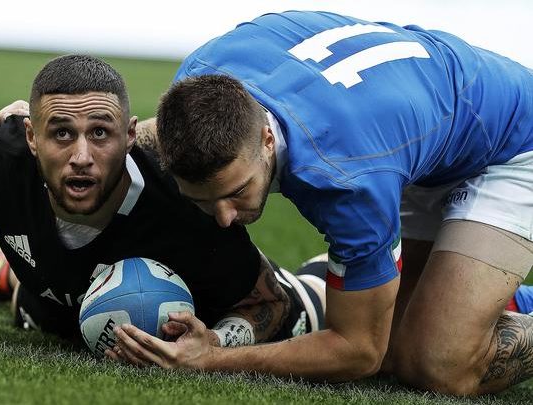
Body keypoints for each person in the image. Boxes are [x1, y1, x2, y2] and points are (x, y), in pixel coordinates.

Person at [111, 11, 533, 396]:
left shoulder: (345, 181)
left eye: (237, 192)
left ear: (267, 139)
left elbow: (358, 350)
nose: (225, 218)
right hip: (410, 134)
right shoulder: (195, 89)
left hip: (512, 141)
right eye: (202, 199)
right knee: (400, 337)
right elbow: (140, 139)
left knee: (436, 364)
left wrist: (211, 359)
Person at [0, 55, 326, 351]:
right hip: (53, 302)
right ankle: (5, 272)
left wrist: (217, 345)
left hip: (244, 304)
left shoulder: (184, 202)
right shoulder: (1, 158)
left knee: (312, 304)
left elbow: (270, 302)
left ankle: (0, 271)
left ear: (130, 134)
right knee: (41, 296)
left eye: (100, 133)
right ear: (32, 137)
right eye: (61, 133)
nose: (81, 157)